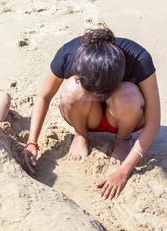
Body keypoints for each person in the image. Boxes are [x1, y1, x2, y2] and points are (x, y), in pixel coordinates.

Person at [21, 26, 160, 200]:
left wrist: (124, 172)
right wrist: (32, 142)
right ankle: (81, 134)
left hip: (124, 116)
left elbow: (154, 122)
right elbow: (44, 96)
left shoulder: (139, 58)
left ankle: (122, 140)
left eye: (103, 92)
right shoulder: (68, 54)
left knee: (127, 92)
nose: (99, 97)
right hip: (86, 115)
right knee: (71, 89)